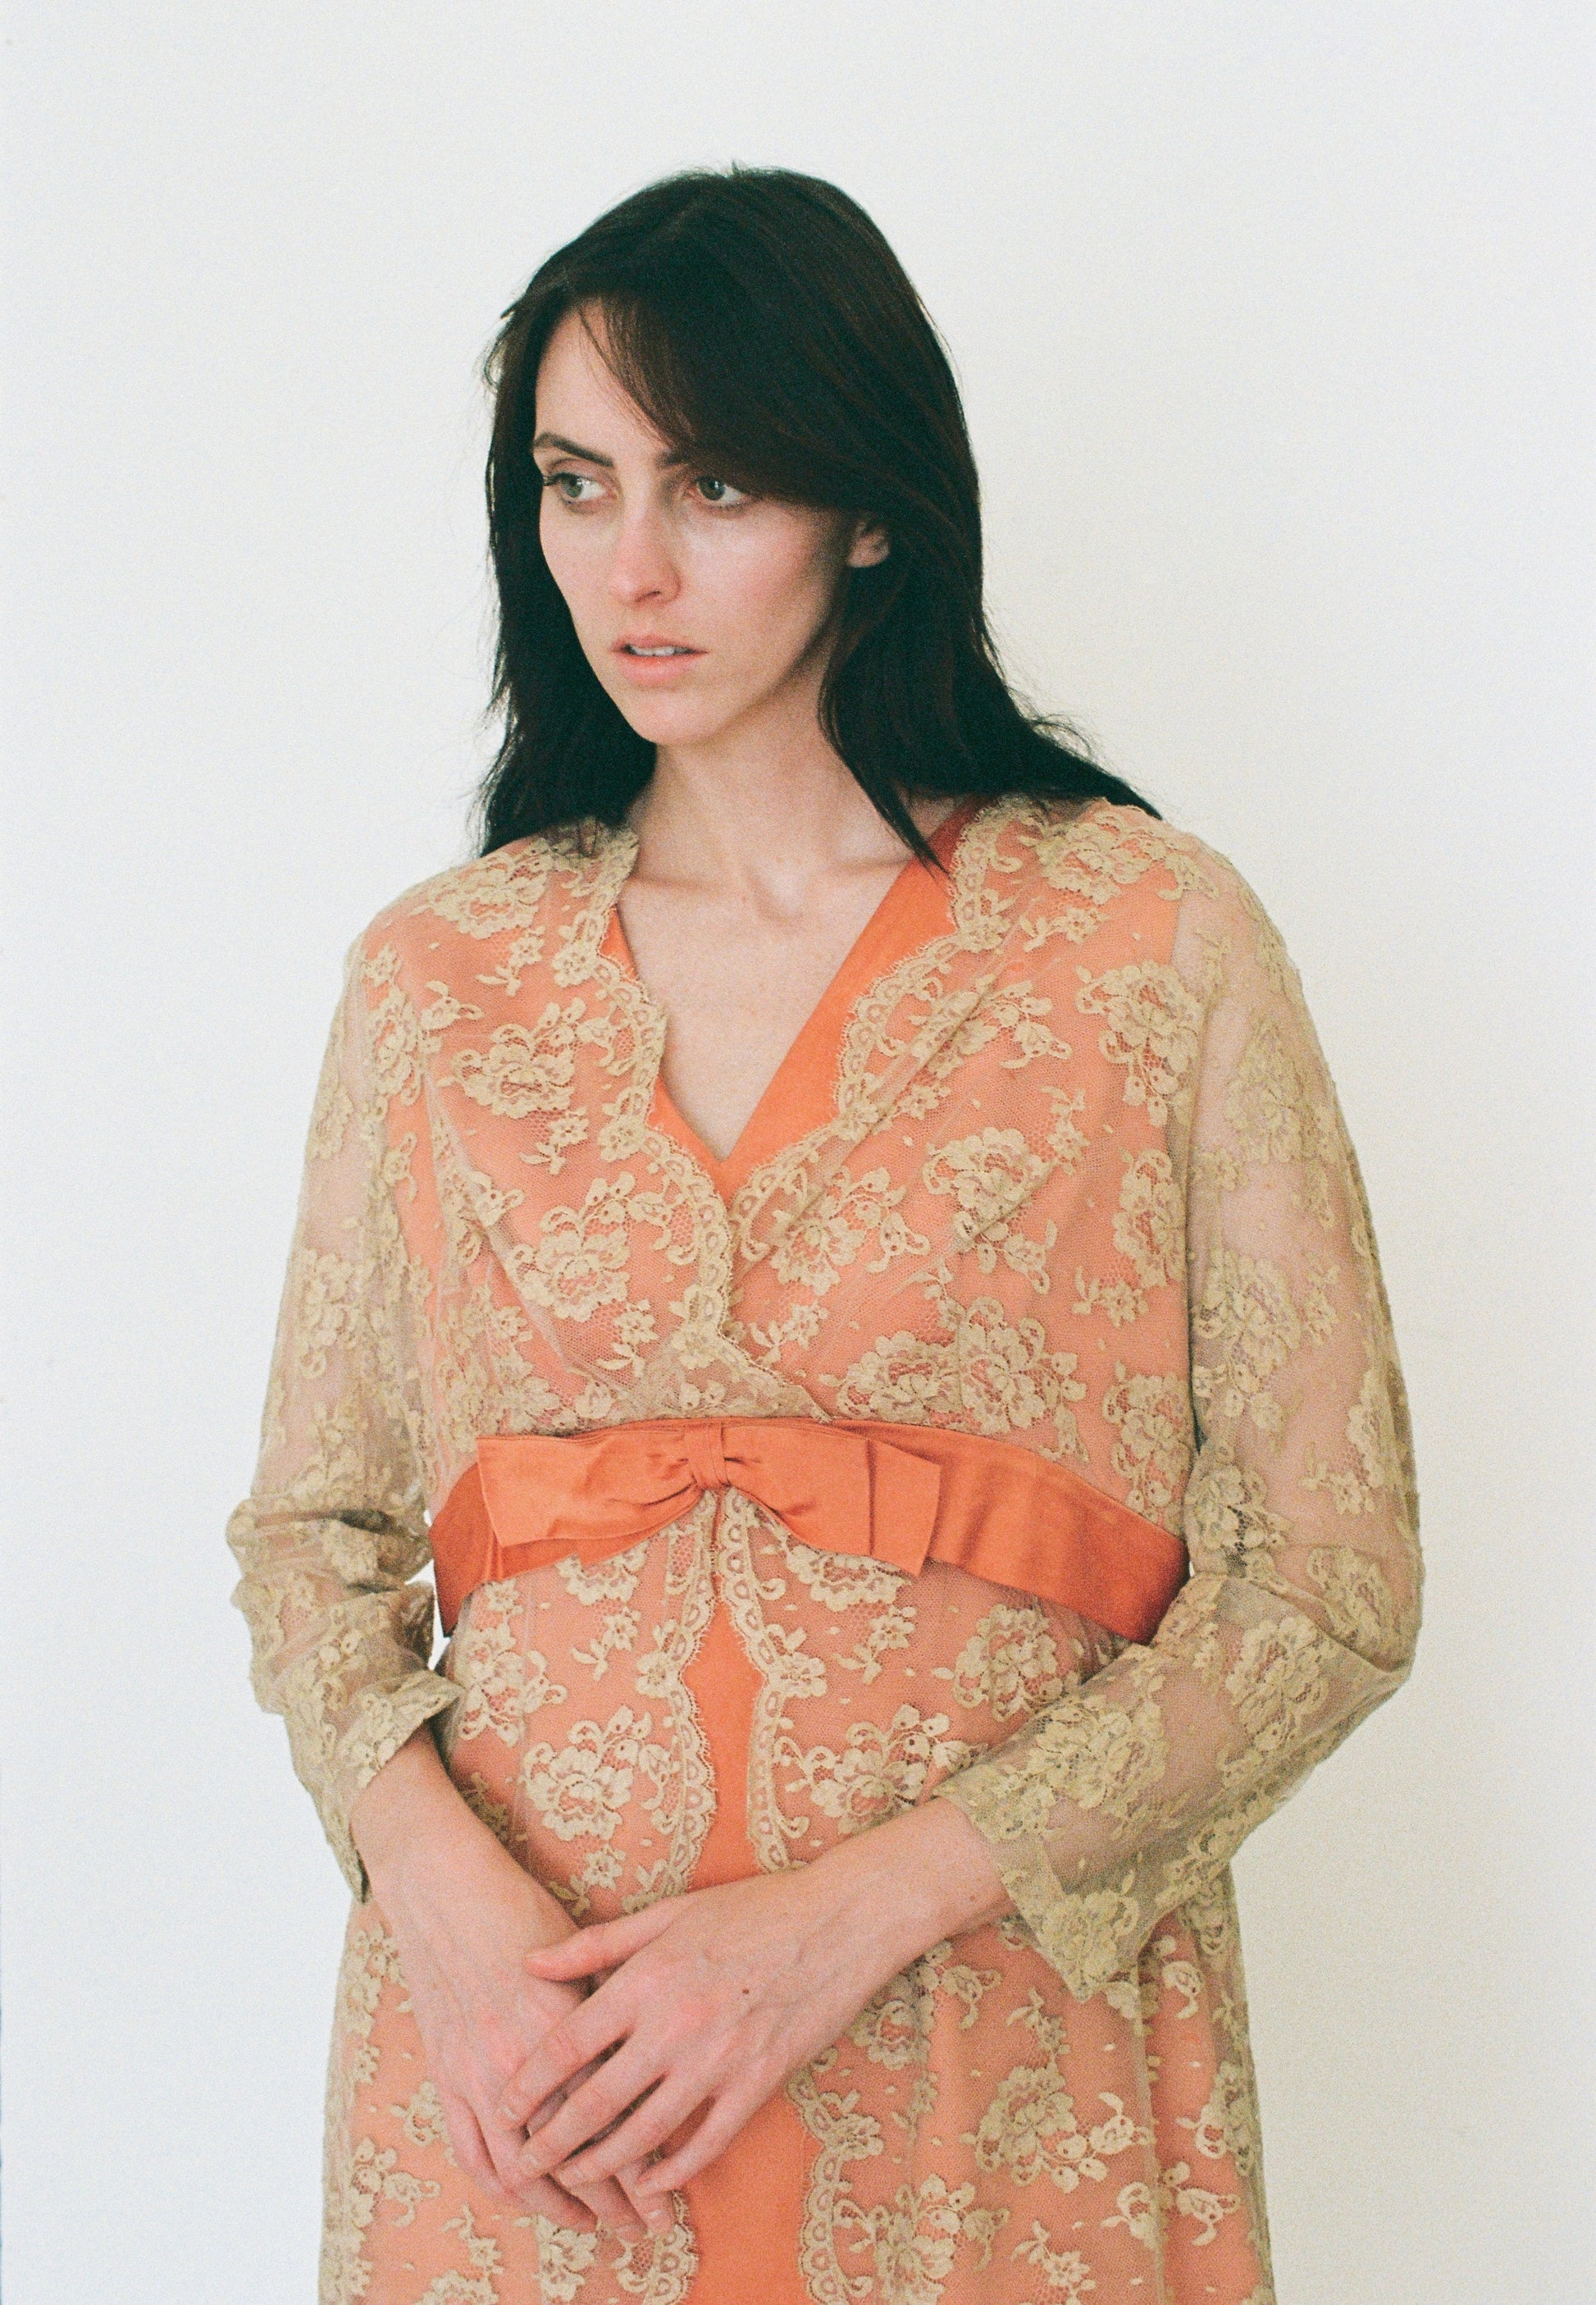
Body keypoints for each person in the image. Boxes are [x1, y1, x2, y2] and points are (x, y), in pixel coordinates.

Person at [228, 165, 1421, 2305]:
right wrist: (443, 1909)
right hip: (530, 2089)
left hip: (988, 2056)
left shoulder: (1147, 942)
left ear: (870, 508)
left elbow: (1327, 1583)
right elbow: (311, 1539)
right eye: (575, 486)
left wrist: (845, 1919)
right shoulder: (438, 980)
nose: (633, 566)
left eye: (715, 485)